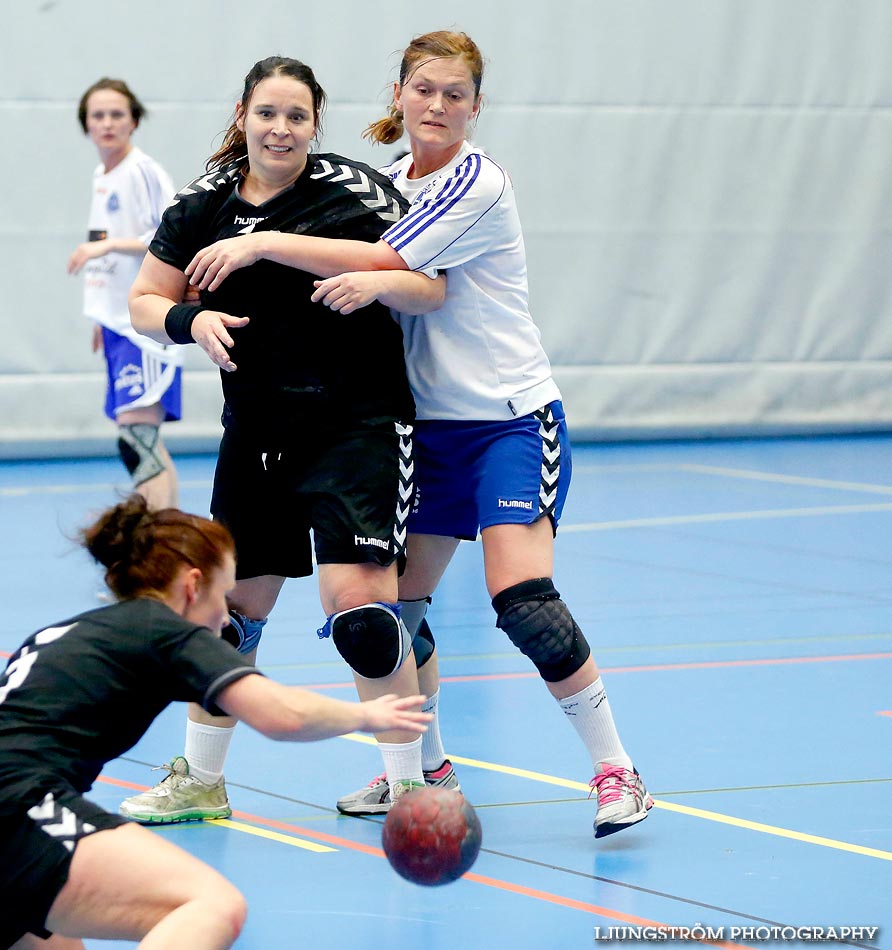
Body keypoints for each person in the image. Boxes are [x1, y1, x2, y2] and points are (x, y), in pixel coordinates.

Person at [179, 31, 652, 837]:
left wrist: (261, 241)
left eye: (455, 94)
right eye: (423, 90)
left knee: (523, 603)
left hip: (506, 421)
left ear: (476, 106)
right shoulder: (388, 180)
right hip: (424, 431)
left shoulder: (477, 183)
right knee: (391, 617)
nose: (437, 106)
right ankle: (426, 774)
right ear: (398, 94)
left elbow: (382, 256)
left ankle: (617, 772)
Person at [120, 56, 449, 825]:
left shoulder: (355, 191)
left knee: (363, 612)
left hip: (358, 424)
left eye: (297, 116)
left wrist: (375, 282)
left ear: (314, 125)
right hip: (257, 433)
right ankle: (202, 780)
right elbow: (144, 300)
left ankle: (410, 788)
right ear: (243, 115)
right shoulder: (200, 204)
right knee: (228, 614)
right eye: (268, 113)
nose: (281, 129)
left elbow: (430, 282)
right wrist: (189, 320)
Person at [0, 495, 430, 949]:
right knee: (212, 903)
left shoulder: (69, 632)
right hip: (10, 815)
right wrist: (366, 714)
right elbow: (278, 715)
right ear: (191, 585)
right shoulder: (160, 627)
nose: (226, 619)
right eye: (222, 597)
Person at [66, 78, 183, 509]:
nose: (107, 123)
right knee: (139, 441)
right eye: (98, 115)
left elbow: (170, 237)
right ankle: (164, 542)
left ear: (134, 120)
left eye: (117, 114)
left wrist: (109, 245)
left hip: (144, 329)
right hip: (116, 326)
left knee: (137, 439)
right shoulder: (103, 175)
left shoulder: (142, 171)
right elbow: (108, 249)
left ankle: (160, 549)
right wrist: (101, 317)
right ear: (86, 125)